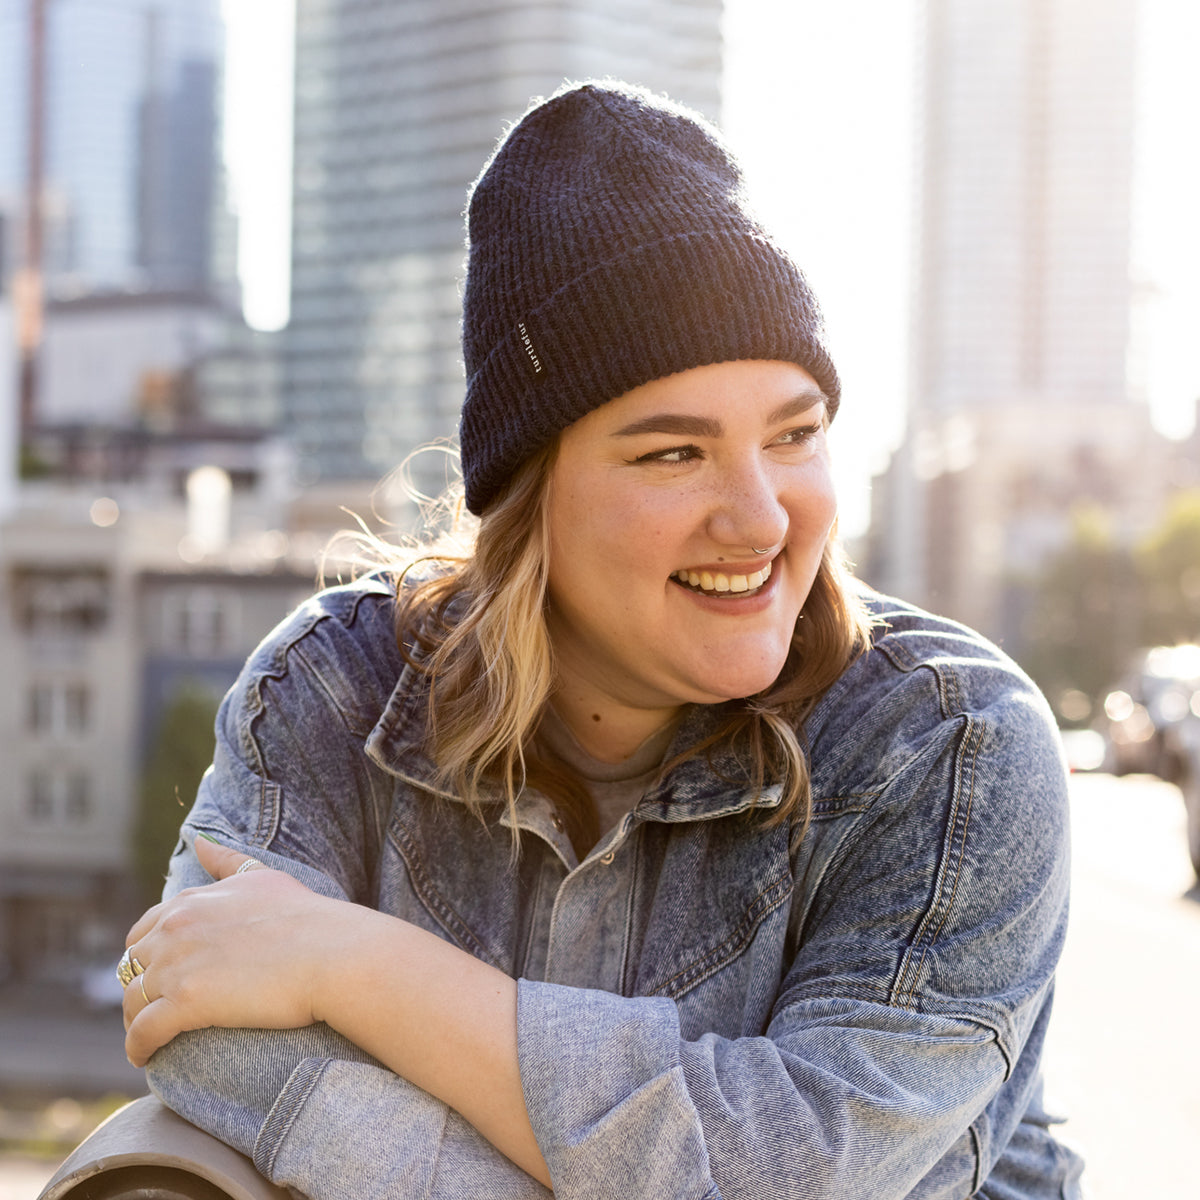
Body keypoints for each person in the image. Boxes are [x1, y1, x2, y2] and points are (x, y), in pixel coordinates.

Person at [116, 81, 1085, 1199]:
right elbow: (194, 1010)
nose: (762, 518)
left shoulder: (952, 750)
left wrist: (354, 965)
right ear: (530, 497)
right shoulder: (331, 687)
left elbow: (795, 1169)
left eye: (794, 435)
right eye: (672, 453)